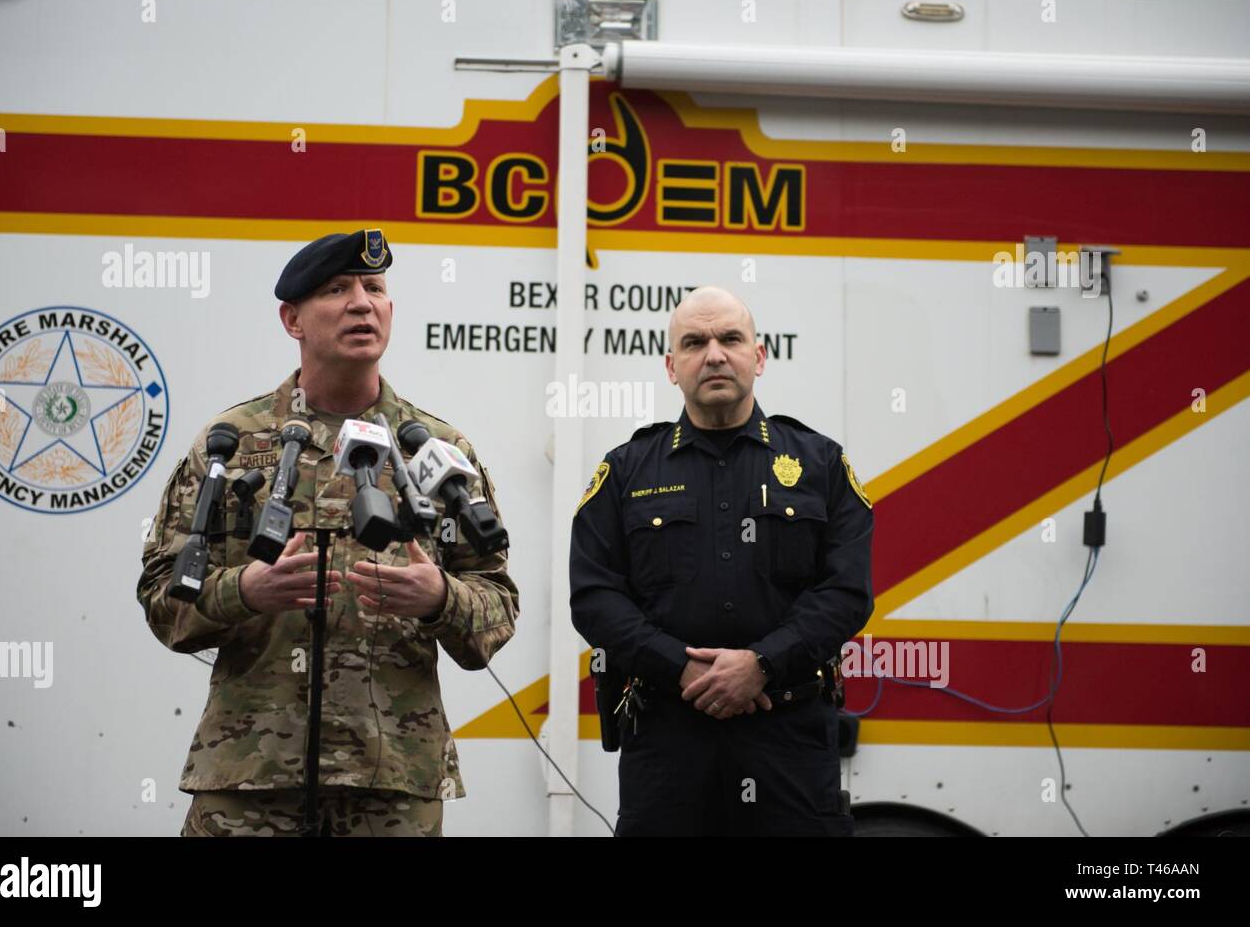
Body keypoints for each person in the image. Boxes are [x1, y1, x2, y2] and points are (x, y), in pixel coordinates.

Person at [137, 229, 518, 837]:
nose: (362, 303)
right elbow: (163, 602)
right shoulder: (231, 445)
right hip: (252, 774)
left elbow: (497, 607)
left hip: (392, 776)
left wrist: (440, 598)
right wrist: (246, 591)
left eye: (375, 288)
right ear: (293, 319)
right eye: (337, 290)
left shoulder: (437, 451)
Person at [570, 286, 873, 836]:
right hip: (667, 744)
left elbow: (846, 591)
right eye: (694, 342)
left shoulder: (820, 464)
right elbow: (594, 598)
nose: (714, 354)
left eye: (730, 338)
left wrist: (762, 662)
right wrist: (680, 667)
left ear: (759, 357)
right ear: (671, 366)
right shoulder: (626, 471)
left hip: (789, 745)